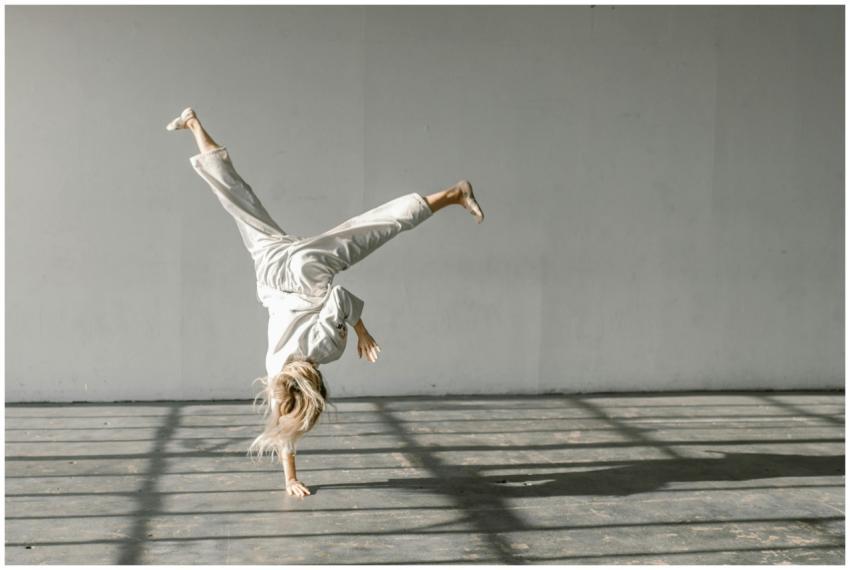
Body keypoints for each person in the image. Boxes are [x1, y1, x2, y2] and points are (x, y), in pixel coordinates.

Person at [167, 107, 484, 497]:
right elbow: (282, 424)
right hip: (272, 270)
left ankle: (453, 194)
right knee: (237, 197)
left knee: (373, 228)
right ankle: (194, 123)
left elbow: (338, 297)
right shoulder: (276, 370)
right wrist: (289, 479)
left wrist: (362, 333)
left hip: (304, 274)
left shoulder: (321, 350)